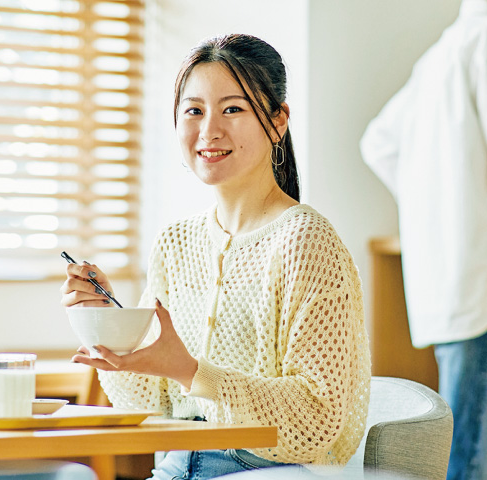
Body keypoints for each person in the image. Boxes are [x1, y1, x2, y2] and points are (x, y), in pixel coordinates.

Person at [62, 33, 370, 479]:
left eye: (232, 109)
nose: (209, 131)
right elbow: (151, 403)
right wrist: (109, 324)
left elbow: (317, 418)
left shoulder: (307, 241)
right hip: (174, 464)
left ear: (278, 120)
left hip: (264, 469)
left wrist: (192, 372)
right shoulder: (175, 242)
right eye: (194, 111)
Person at [360, 2, 487, 479]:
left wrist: (431, 208)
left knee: (459, 431)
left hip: (443, 267)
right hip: (475, 270)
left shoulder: (439, 56)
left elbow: (378, 142)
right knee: (469, 450)